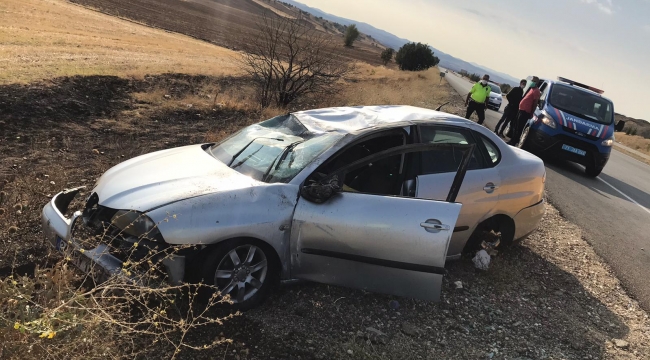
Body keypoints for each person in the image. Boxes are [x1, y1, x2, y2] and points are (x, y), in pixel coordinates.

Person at [508, 76, 541, 145]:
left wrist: (531, 113)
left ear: (536, 83)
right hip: (521, 110)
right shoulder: (531, 89)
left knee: (519, 128)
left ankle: (514, 141)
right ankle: (512, 140)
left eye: (533, 81)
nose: (532, 82)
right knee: (516, 126)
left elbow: (535, 103)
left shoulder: (536, 91)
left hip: (525, 112)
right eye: (531, 80)